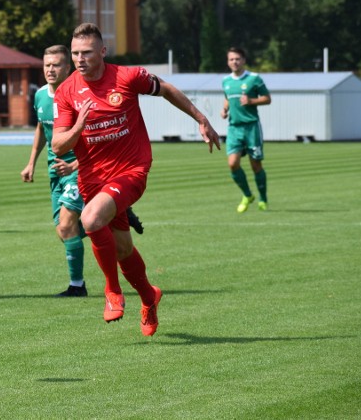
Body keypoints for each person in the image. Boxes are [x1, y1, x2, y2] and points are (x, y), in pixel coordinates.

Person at [52, 23, 220, 336]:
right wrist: (80, 125)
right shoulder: (66, 92)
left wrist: (202, 120)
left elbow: (166, 89)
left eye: (86, 52)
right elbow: (59, 145)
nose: (79, 59)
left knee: (89, 219)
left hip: (131, 168)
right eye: (75, 53)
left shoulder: (128, 77)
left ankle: (112, 291)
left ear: (102, 51)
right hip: (92, 178)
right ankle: (149, 296)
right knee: (123, 249)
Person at [22, 45, 145, 298]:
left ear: (67, 68)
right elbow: (42, 128)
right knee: (64, 230)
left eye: (56, 65)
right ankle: (113, 214)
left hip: (80, 170)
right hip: (55, 169)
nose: (51, 70)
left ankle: (78, 286)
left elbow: (99, 141)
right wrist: (32, 161)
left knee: (69, 224)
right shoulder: (41, 96)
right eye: (47, 65)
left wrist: (74, 165)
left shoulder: (78, 95)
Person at [221, 47, 271, 212]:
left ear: (243, 60)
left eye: (237, 59)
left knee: (255, 165)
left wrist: (251, 101)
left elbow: (267, 99)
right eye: (231, 59)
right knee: (232, 163)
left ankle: (263, 198)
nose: (234, 62)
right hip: (234, 128)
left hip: (251, 127)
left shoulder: (254, 79)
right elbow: (228, 99)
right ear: (228, 62)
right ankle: (248, 195)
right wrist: (225, 109)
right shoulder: (226, 81)